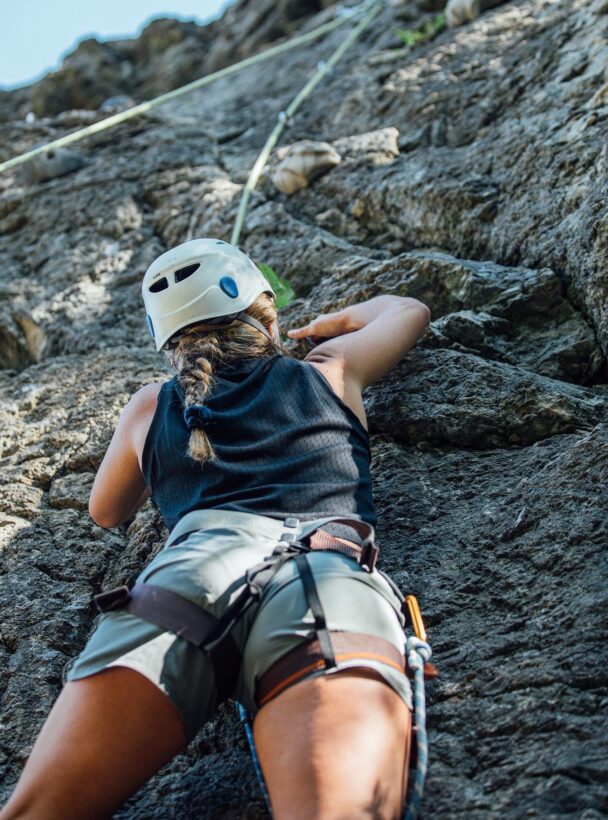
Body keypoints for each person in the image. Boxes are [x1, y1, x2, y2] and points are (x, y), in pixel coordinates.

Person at [1, 238, 431, 820]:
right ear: (266, 317)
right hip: (324, 575)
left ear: (170, 344)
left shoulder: (152, 406)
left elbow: (106, 510)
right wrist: (331, 325)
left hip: (188, 576)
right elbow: (407, 310)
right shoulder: (331, 370)